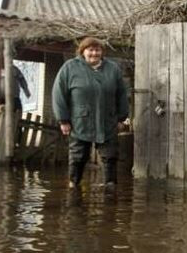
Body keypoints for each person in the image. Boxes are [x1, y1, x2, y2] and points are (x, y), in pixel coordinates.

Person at [52, 37, 129, 189]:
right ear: (83, 51)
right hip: (80, 121)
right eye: (90, 50)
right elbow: (59, 94)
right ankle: (74, 185)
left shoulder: (112, 69)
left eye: (97, 50)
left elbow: (121, 94)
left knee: (110, 156)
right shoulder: (70, 68)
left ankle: (110, 186)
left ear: (102, 52)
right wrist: (63, 120)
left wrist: (122, 117)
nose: (94, 53)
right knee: (78, 156)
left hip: (107, 121)